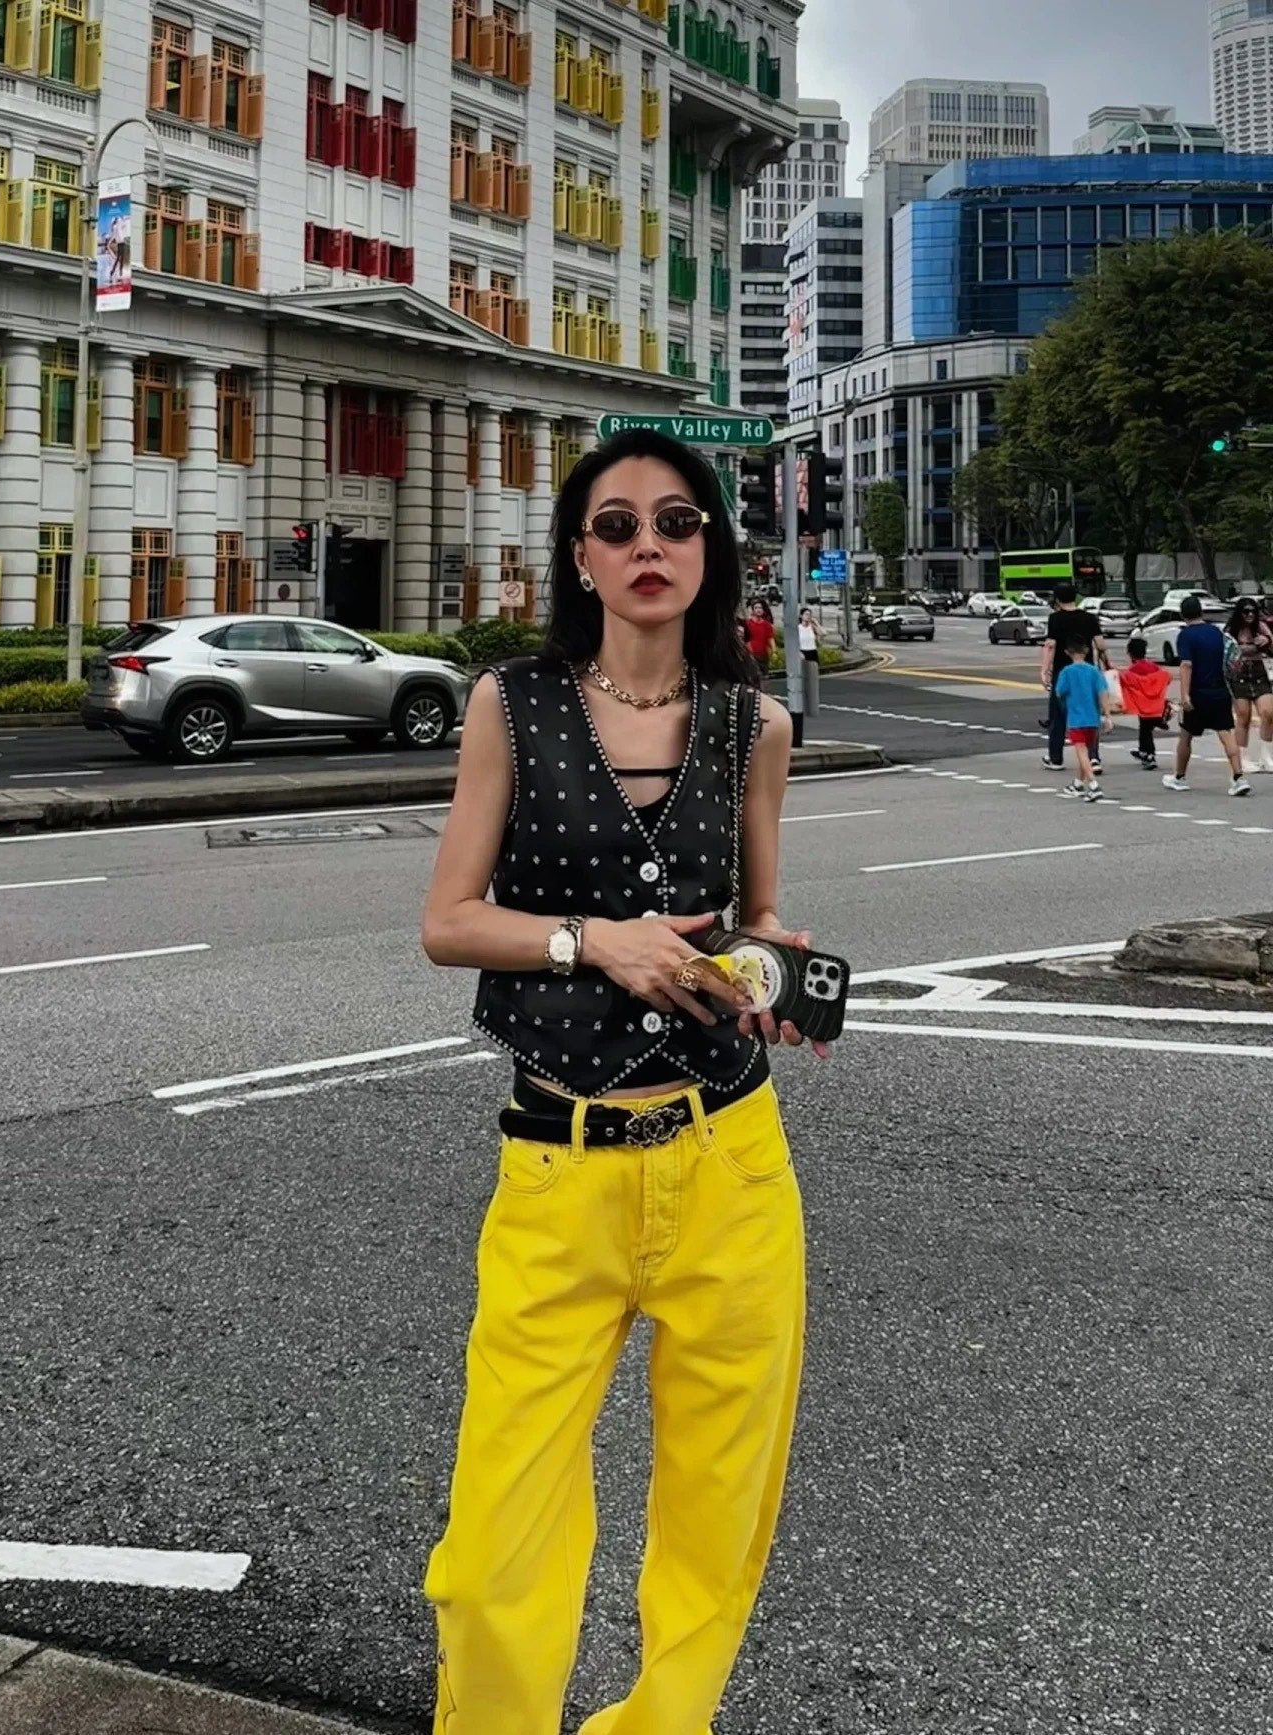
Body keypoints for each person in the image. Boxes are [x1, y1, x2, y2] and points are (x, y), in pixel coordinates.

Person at [421, 427, 823, 1735]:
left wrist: (773, 973)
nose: (650, 544)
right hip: (560, 1160)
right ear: (581, 558)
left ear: (711, 551)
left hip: (730, 1161)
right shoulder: (511, 703)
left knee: (718, 1515)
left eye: (677, 522)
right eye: (617, 525)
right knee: (497, 1538)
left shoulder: (755, 724)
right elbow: (448, 922)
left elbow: (758, 916)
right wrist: (593, 941)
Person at [1162, 594, 1251, 797]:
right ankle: (1239, 777)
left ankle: (1180, 777)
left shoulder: (1185, 635)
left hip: (1198, 692)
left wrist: (1185, 695)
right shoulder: (1216, 632)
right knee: (1225, 732)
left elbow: (1186, 665)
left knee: (1186, 734)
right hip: (1220, 690)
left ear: (1183, 615)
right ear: (1201, 612)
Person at [1040, 581, 1108, 774]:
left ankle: (1056, 758)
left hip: (1064, 671)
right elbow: (1101, 645)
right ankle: (1093, 757)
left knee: (1058, 714)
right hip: (1087, 671)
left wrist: (1044, 670)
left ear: (1057, 599)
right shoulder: (1089, 618)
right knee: (1090, 711)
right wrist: (1105, 661)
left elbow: (1050, 645)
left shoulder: (1055, 619)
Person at [1053, 640, 1110, 802]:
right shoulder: (1094, 671)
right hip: (1093, 718)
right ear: (1086, 651)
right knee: (1085, 752)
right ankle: (1078, 783)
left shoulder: (1066, 672)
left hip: (1076, 718)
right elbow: (1103, 692)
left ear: (1067, 652)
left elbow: (1059, 692)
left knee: (1081, 751)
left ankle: (1093, 784)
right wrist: (1107, 715)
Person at [1225, 596, 1273, 774]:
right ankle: (1243, 758)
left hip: (1259, 672)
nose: (1250, 615)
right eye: (1246, 611)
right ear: (1239, 613)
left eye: (1253, 611)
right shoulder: (1231, 630)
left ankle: (1265, 756)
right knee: (1243, 717)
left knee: (1268, 713)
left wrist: (1266, 642)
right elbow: (1225, 651)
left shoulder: (1261, 627)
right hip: (1239, 675)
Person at [1120, 635, 1171, 769]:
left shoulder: (1131, 672)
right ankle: (1144, 749)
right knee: (1146, 730)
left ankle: (1149, 755)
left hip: (1143, 708)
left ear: (1130, 653)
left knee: (1145, 731)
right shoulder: (1155, 668)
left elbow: (1123, 682)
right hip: (1157, 707)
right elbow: (1167, 678)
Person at [743, 596, 777, 672]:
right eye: (756, 608)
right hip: (750, 655)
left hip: (763, 655)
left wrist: (774, 652)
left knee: (764, 675)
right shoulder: (747, 623)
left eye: (760, 608)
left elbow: (770, 638)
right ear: (753, 610)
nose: (758, 610)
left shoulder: (766, 624)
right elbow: (744, 639)